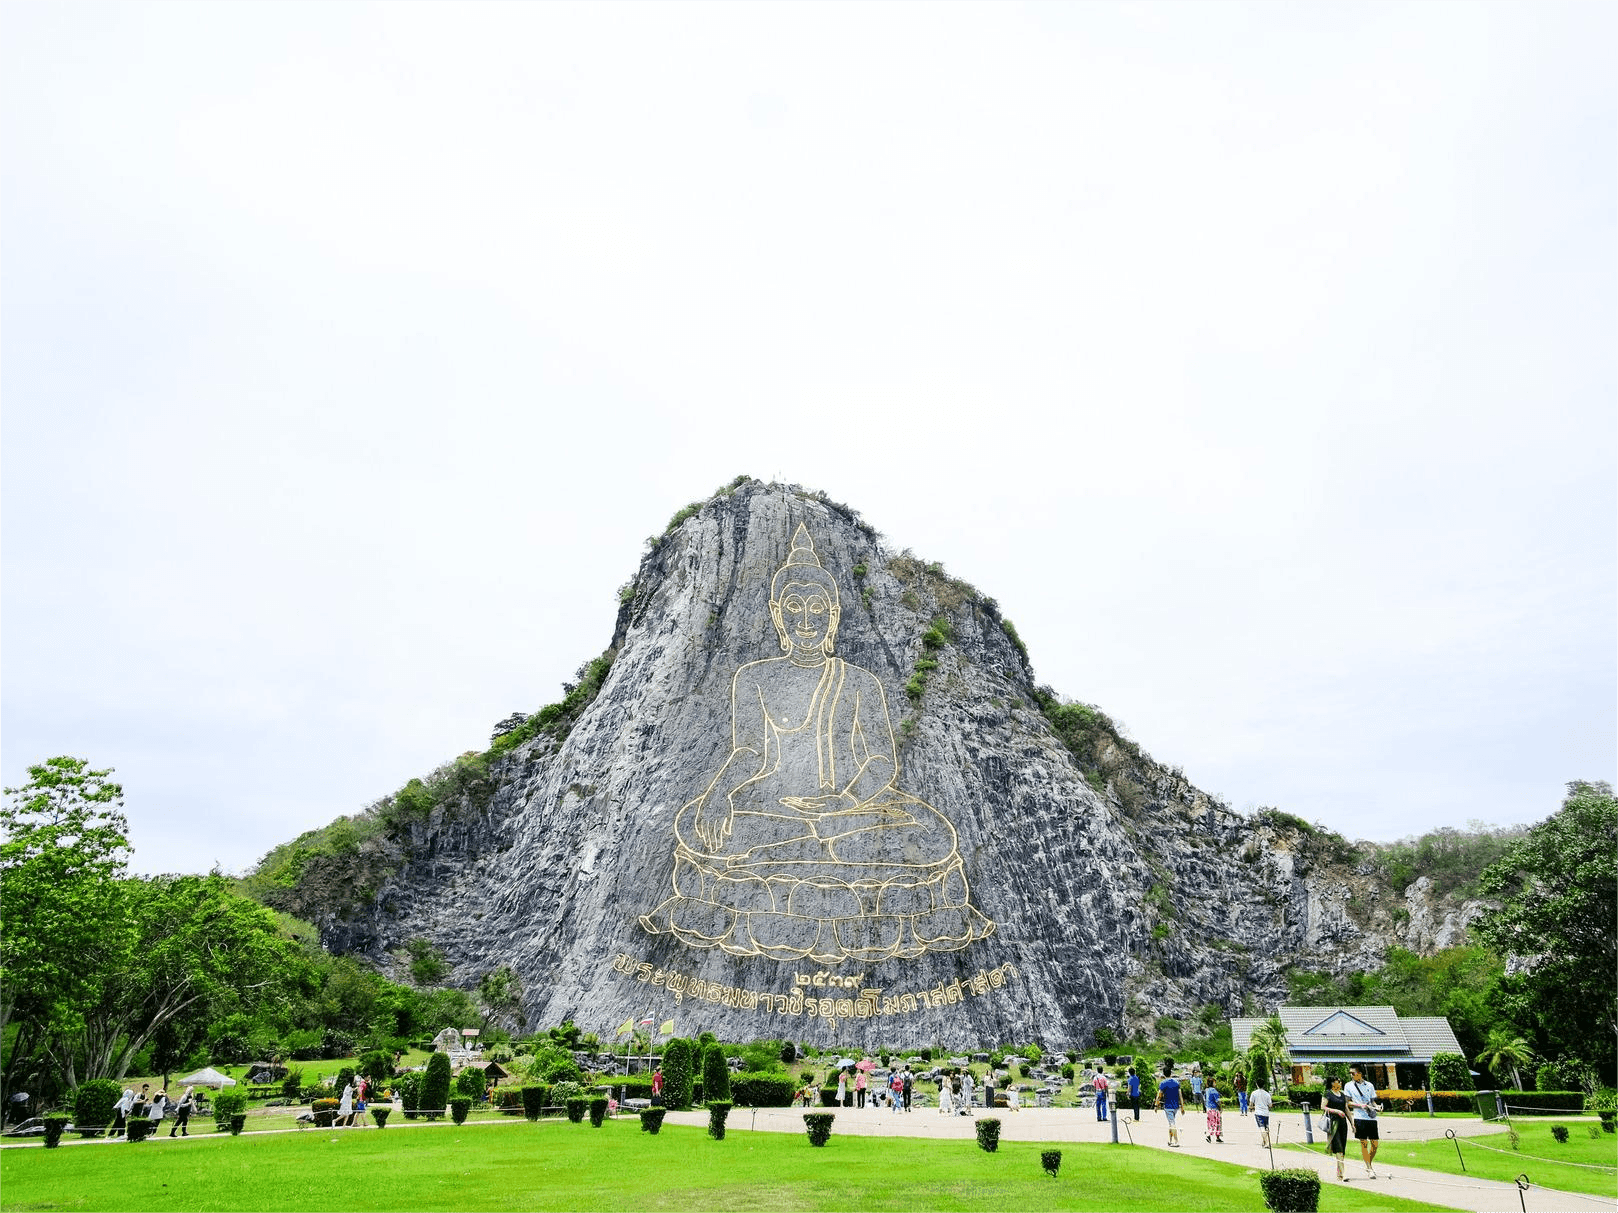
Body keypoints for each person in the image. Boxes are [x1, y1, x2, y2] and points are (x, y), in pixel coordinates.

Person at [640, 526, 993, 963]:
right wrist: (717, 795)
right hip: (778, 806)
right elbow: (751, 753)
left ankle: (793, 859)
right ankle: (816, 856)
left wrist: (842, 802)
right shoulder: (754, 677)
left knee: (931, 835)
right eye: (793, 608)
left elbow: (882, 761)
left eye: (816, 609)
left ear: (834, 614)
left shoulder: (860, 681)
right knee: (702, 824)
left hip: (851, 811)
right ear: (777, 614)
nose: (806, 621)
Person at [1346, 1065, 1381, 1178]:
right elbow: (1348, 1103)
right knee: (1364, 1143)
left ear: (1360, 1073)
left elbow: (1373, 1101)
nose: (1351, 1075)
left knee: (1375, 1143)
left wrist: (1378, 1107)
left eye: (1353, 1073)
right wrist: (1359, 1105)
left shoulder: (1369, 1085)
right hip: (1359, 1117)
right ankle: (1370, 1168)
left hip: (1371, 1117)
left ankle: (1368, 1164)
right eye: (1350, 1073)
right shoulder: (1348, 1086)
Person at [1322, 1076, 1350, 1181]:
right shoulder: (1327, 1093)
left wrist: (1352, 1123)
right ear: (1332, 1083)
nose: (1340, 1082)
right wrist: (1336, 1111)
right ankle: (1343, 1173)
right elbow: (1323, 1106)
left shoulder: (1342, 1095)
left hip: (1343, 1123)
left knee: (1342, 1148)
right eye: (1338, 1081)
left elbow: (1346, 1109)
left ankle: (1339, 1174)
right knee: (1338, 1147)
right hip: (1333, 1123)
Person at [1155, 1067, 1182, 1147]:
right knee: (1171, 1123)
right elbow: (1180, 1095)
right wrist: (1182, 1106)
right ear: (1171, 1073)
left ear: (1163, 1074)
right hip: (1176, 1106)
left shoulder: (1163, 1083)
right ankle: (1170, 1140)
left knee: (1172, 1123)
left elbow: (1159, 1095)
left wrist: (1156, 1105)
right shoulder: (1176, 1082)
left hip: (1168, 1106)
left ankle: (1176, 1141)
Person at [1250, 1081, 1274, 1148]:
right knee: (1266, 1128)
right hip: (1266, 1113)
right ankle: (1265, 1142)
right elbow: (1270, 1105)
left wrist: (1251, 1108)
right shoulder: (1267, 1094)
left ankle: (1266, 1143)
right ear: (1263, 1085)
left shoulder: (1254, 1093)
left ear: (1257, 1085)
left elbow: (1251, 1103)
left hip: (1258, 1113)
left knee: (1262, 1128)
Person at [1203, 1079, 1222, 1143]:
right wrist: (1220, 1107)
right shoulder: (1214, 1090)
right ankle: (1210, 1135)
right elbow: (1217, 1100)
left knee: (1210, 1123)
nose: (1215, 1084)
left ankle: (1217, 1137)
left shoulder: (1207, 1090)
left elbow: (1205, 1099)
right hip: (1214, 1108)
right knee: (1217, 1123)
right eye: (1214, 1083)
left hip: (1208, 1108)